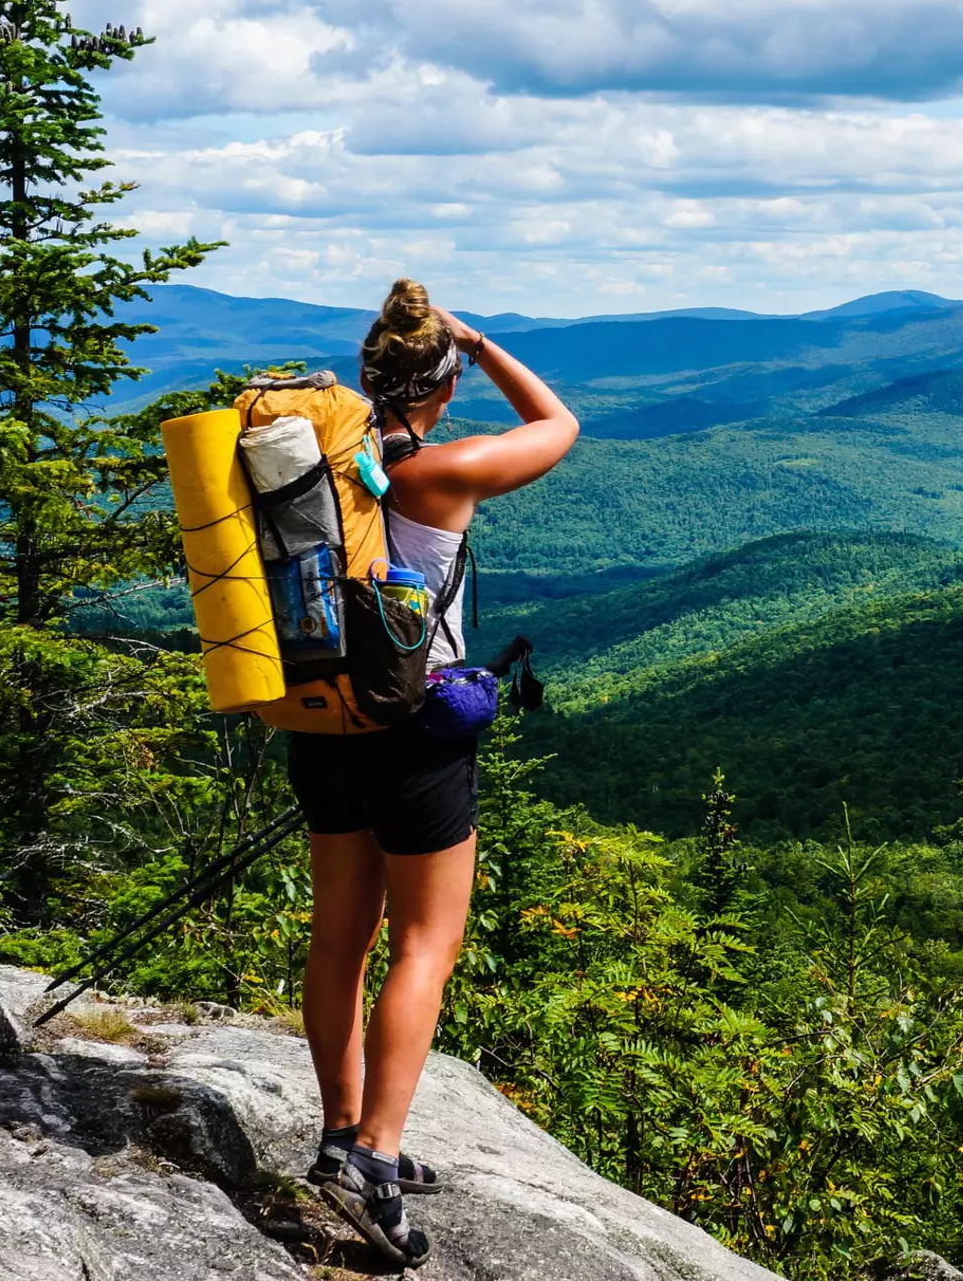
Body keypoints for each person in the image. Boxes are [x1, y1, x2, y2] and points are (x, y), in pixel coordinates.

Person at [290, 278, 578, 1268]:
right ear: (442, 390)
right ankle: (375, 1157)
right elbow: (558, 423)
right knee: (424, 944)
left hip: (321, 718)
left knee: (341, 940)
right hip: (412, 730)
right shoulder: (441, 474)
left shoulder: (328, 466)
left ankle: (340, 1132)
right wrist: (483, 341)